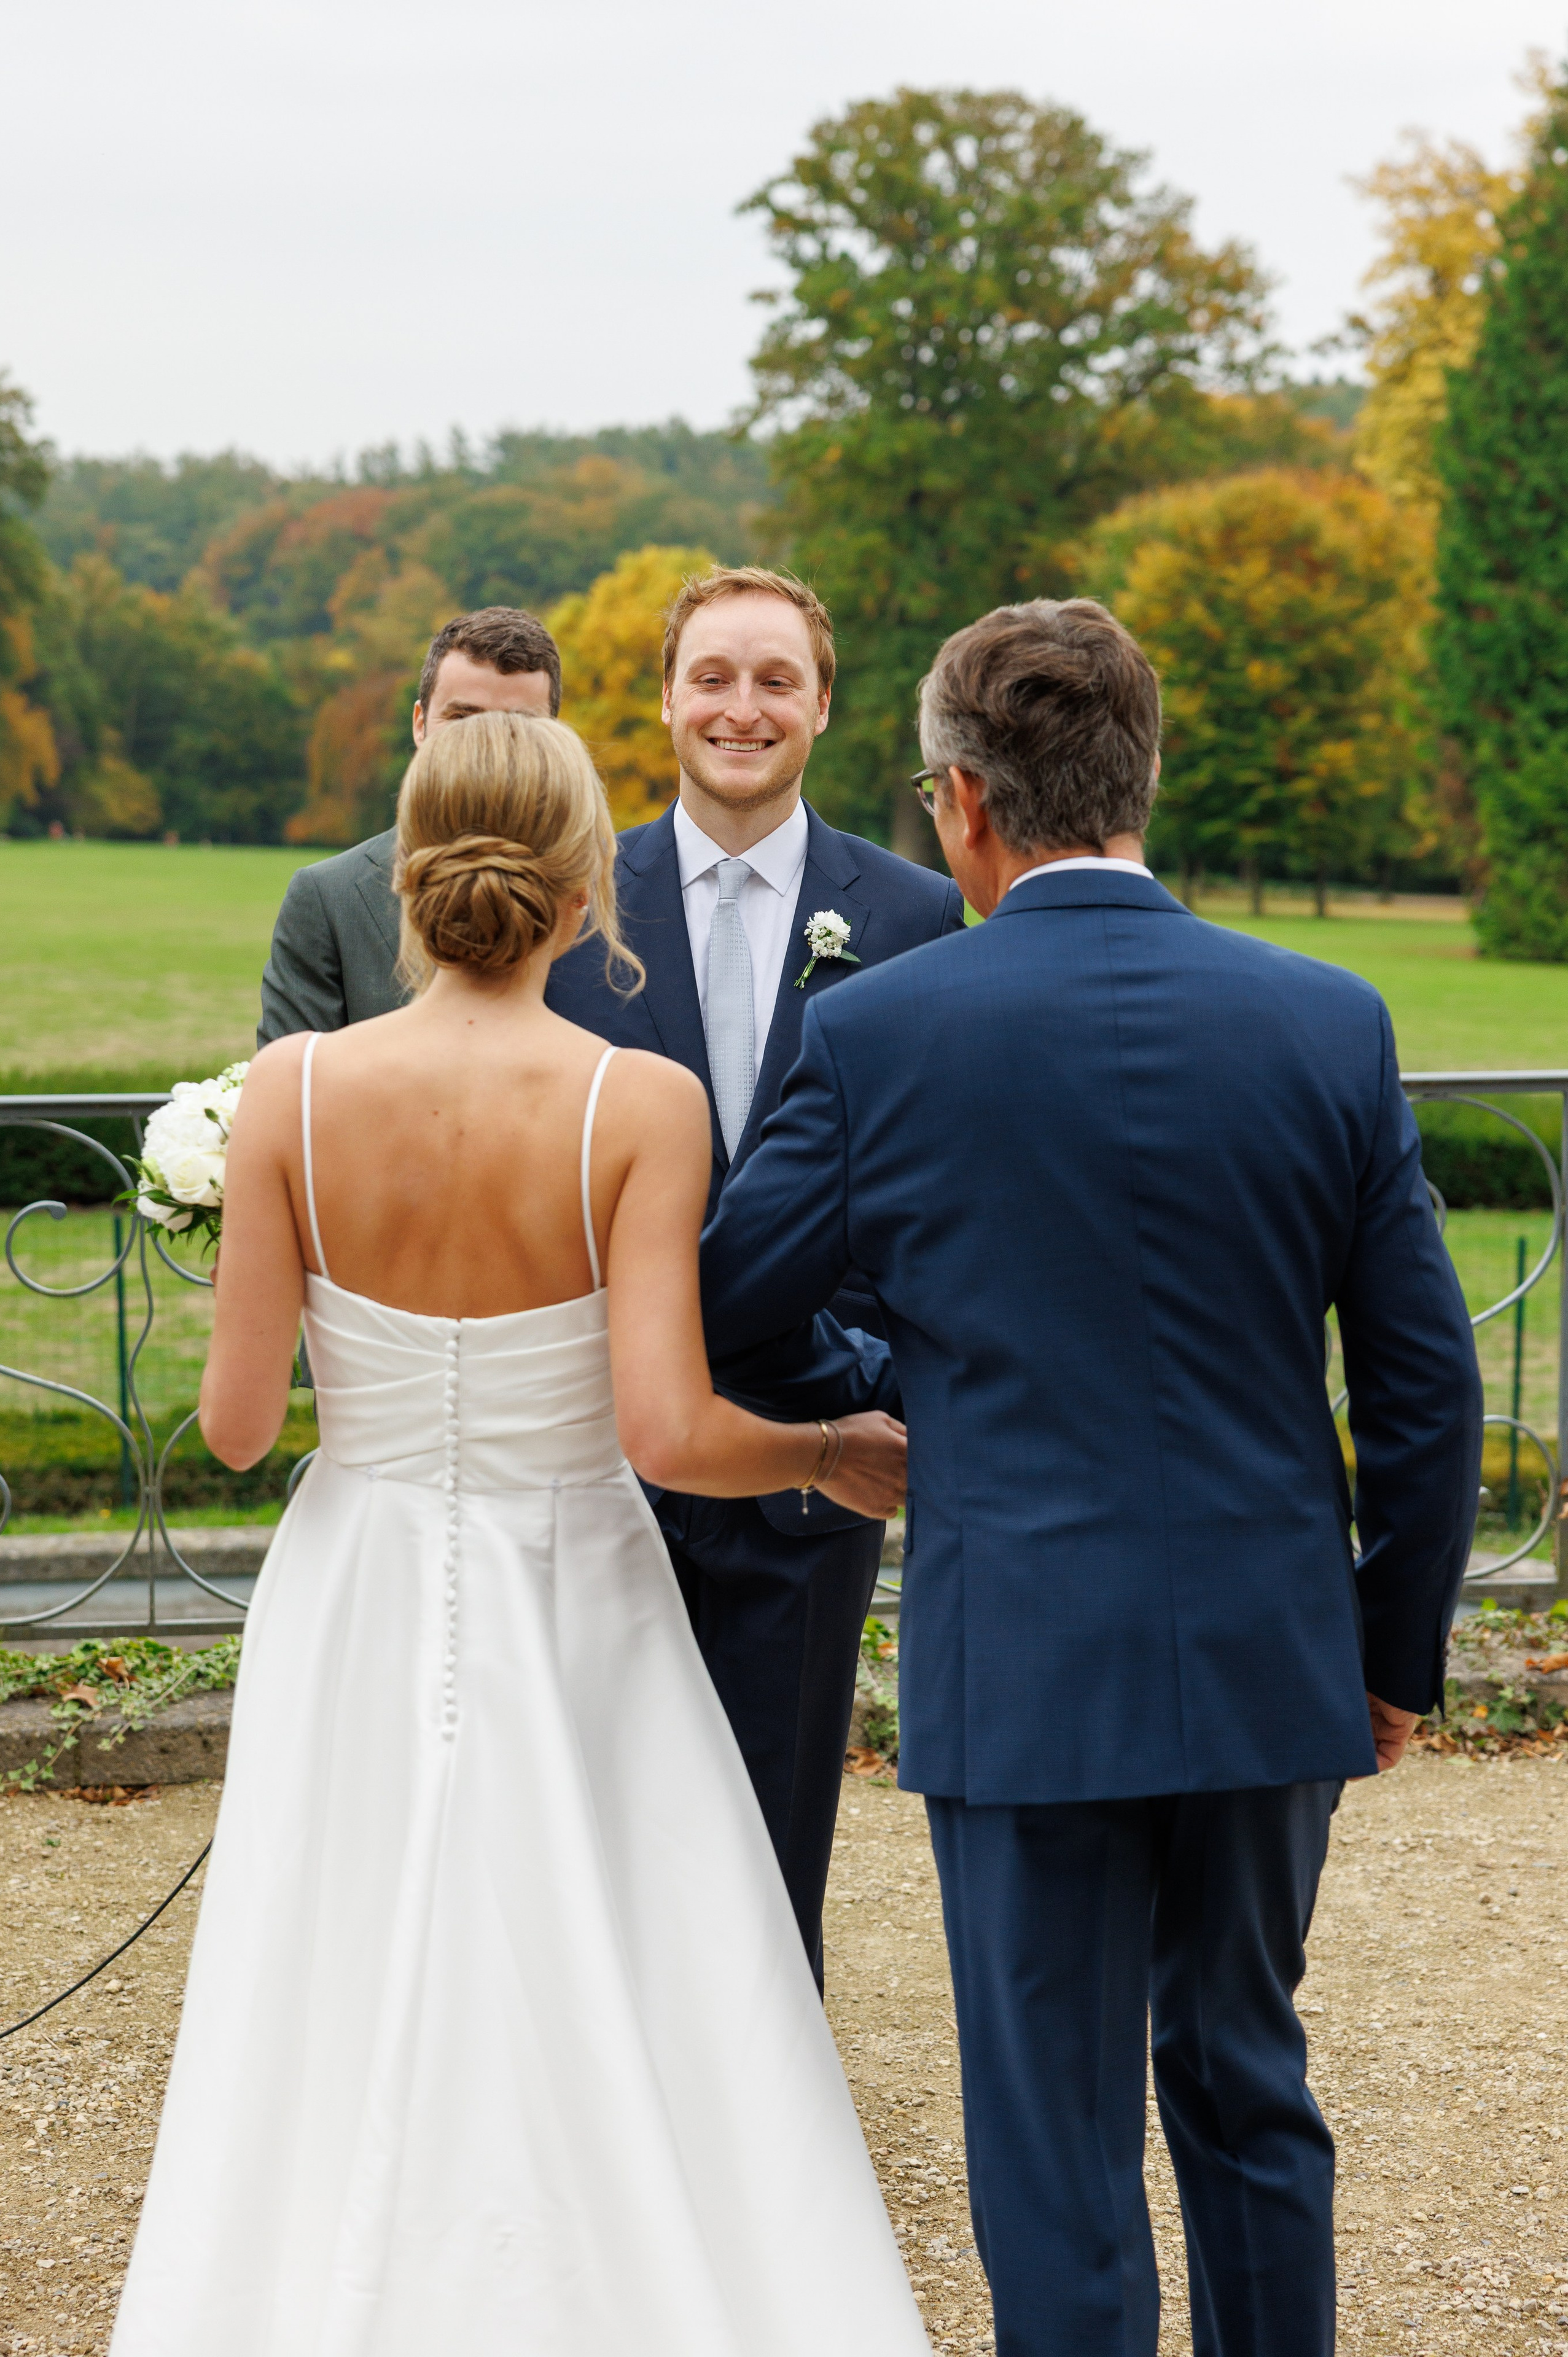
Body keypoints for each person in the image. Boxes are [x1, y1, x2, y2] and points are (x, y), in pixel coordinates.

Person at [699, 599, 1483, 2356]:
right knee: (1248, 2077)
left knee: (1053, 2129)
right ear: (1146, 773)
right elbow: (1427, 1381)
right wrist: (1389, 1656)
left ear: (962, 802)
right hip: (1275, 1646)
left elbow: (727, 1306)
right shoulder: (1328, 1021)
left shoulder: (884, 1033)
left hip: (1025, 1653)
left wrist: (876, 1409)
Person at [111, 712, 927, 2356]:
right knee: (621, 1939)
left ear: (410, 881)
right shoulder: (642, 1097)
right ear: (586, 895)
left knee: (336, 1945)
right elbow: (668, 1432)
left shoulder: (289, 1089)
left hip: (360, 1575)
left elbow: (239, 1424)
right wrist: (830, 1444)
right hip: (582, 1582)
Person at [545, 564, 965, 1981]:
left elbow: (932, 1193)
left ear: (823, 705)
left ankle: (767, 2126)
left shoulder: (909, 916)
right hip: (603, 1453)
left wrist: (846, 1400)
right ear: (665, 697)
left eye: (774, 678)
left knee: (775, 1825)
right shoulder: (566, 905)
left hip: (817, 1454)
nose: (741, 706)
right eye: (712, 675)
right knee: (596, 1816)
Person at [257, 605, 561, 1037]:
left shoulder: (603, 889)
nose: (486, 745)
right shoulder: (328, 899)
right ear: (420, 724)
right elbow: (293, 1092)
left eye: (516, 725)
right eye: (463, 719)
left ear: (556, 737)